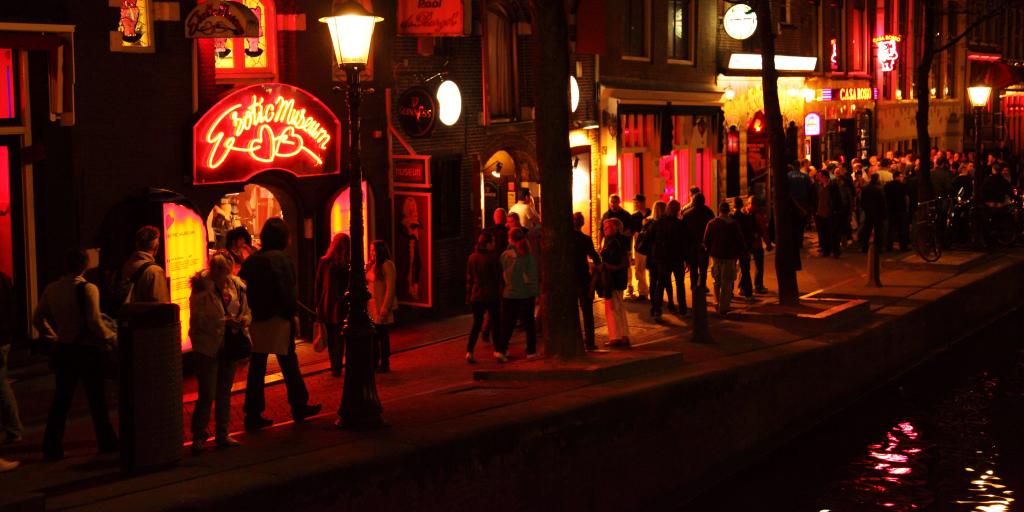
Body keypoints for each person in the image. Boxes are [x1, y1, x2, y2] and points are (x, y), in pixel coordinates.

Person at [34, 249, 118, 460]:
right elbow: (95, 323)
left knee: (61, 400)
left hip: (64, 349)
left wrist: (53, 337)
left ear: (65, 265)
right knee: (97, 399)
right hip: (87, 350)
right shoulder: (89, 289)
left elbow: (38, 319)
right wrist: (111, 338)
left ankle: (51, 446)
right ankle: (106, 441)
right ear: (85, 266)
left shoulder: (51, 289)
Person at [239, 218, 320, 431]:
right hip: (278, 318)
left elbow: (242, 286)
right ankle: (299, 405)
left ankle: (253, 413)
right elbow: (287, 291)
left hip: (257, 319)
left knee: (257, 366)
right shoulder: (282, 260)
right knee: (289, 363)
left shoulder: (252, 261)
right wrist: (292, 314)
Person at [188, 252, 248, 453]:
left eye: (227, 275)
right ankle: (199, 435)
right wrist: (224, 321)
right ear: (214, 271)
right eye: (221, 275)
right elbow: (198, 320)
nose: (225, 280)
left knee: (224, 392)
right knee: (207, 393)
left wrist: (243, 321)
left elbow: (246, 311)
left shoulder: (236, 285)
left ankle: (222, 433)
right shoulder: (201, 289)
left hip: (228, 345)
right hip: (207, 347)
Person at [497, 228, 539, 362]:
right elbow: (532, 275)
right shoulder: (527, 254)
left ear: (510, 239)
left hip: (509, 294)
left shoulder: (504, 255)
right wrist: (535, 292)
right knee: (529, 323)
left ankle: (501, 350)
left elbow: (501, 273)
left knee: (507, 324)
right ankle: (531, 351)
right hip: (526, 294)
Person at [314, 233, 351, 377]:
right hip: (341, 305)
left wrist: (317, 303)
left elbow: (318, 284)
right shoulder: (346, 264)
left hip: (327, 304)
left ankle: (333, 365)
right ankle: (336, 365)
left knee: (330, 336)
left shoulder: (325, 262)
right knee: (340, 337)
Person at [703, 202, 747, 315]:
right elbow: (740, 240)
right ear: (728, 211)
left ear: (719, 210)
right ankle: (724, 306)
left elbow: (706, 240)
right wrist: (741, 251)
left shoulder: (712, 223)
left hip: (716, 255)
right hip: (729, 256)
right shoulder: (734, 224)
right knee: (726, 282)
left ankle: (716, 302)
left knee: (716, 280)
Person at [465, 232, 502, 362]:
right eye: (492, 241)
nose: (494, 244)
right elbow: (498, 278)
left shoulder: (472, 258)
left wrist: (469, 295)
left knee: (476, 324)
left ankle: (469, 351)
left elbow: (469, 279)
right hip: (491, 295)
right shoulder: (493, 258)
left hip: (477, 295)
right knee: (495, 323)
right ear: (487, 244)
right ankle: (498, 351)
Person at [649, 200, 688, 318]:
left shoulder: (658, 223)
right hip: (677, 258)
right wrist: (687, 259)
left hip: (662, 258)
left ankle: (657, 310)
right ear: (677, 210)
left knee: (660, 284)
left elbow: (648, 238)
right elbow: (685, 243)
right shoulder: (680, 224)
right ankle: (682, 309)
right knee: (680, 284)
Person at [570, 212, 601, 349]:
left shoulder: (566, 239)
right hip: (582, 276)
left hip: (569, 277)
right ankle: (590, 341)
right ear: (582, 223)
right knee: (587, 311)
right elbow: (594, 257)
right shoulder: (585, 239)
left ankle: (572, 340)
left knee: (570, 310)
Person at [599, 219, 631, 347]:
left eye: (608, 227)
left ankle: (615, 337)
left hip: (612, 278)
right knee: (619, 306)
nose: (605, 230)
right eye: (604, 227)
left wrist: (604, 259)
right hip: (619, 278)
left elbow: (614, 259)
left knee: (611, 307)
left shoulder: (612, 242)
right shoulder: (622, 241)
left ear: (616, 228)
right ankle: (624, 335)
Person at [367, 240, 398, 373]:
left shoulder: (387, 265)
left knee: (382, 335)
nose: (372, 253)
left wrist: (385, 307)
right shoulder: (372, 265)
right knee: (374, 336)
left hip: (381, 306)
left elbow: (390, 289)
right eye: (371, 250)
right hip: (371, 306)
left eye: (374, 250)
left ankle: (385, 362)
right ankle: (374, 362)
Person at [0, 272, 23, 445]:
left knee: (1, 384)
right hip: (4, 337)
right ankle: (12, 428)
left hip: (1, 337)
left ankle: (13, 428)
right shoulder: (4, 279)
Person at [121, 225, 170, 304]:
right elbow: (162, 305)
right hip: (147, 316)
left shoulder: (127, 265)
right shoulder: (155, 271)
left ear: (137, 244)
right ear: (156, 247)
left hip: (130, 315)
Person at [600, 194, 636, 298]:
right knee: (610, 267)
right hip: (609, 247)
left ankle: (627, 287)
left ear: (619, 202)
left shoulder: (625, 215)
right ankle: (612, 287)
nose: (613, 204)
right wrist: (600, 244)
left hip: (623, 246)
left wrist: (622, 233)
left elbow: (631, 230)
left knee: (625, 267)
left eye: (615, 202)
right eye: (611, 202)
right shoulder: (606, 215)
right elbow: (601, 230)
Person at [681, 193, 715, 292]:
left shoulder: (687, 214)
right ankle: (702, 285)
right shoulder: (708, 212)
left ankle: (693, 285)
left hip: (691, 244)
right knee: (703, 267)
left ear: (693, 201)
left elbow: (684, 231)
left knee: (693, 266)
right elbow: (712, 228)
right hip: (704, 244)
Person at [732, 197, 757, 299]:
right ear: (741, 205)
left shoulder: (731, 218)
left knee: (731, 271)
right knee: (745, 270)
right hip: (744, 247)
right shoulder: (746, 218)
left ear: (733, 206)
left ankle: (730, 292)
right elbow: (750, 233)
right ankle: (748, 292)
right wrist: (749, 247)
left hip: (733, 248)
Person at [814, 171, 842, 258]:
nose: (819, 178)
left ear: (825, 177)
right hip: (821, 212)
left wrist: (833, 209)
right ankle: (826, 250)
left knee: (833, 232)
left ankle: (835, 251)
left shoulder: (833, 186)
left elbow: (836, 199)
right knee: (824, 233)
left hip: (830, 213)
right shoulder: (820, 186)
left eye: (820, 176)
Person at [747, 197, 772, 294]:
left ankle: (743, 287)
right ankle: (758, 286)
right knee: (759, 266)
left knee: (744, 266)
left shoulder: (745, 212)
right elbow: (764, 231)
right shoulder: (758, 215)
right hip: (756, 244)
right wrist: (768, 244)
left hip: (747, 244)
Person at [859, 173, 888, 252]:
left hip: (868, 211)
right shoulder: (879, 189)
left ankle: (864, 246)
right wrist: (884, 212)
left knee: (867, 228)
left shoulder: (865, 188)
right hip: (878, 212)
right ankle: (878, 246)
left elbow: (862, 201)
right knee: (878, 230)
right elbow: (882, 202)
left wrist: (865, 208)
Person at [630, 194, 650, 301]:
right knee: (639, 270)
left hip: (650, 247)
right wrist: (635, 233)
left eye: (637, 202)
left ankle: (653, 290)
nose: (636, 204)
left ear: (643, 202)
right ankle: (643, 292)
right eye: (635, 202)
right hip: (639, 247)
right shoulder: (634, 216)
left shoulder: (651, 214)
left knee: (651, 270)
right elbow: (632, 230)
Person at [884, 170, 910, 251]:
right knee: (902, 228)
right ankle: (903, 247)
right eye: (901, 176)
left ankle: (889, 246)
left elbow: (884, 197)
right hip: (901, 209)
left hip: (891, 209)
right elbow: (906, 197)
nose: (902, 178)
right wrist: (907, 208)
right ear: (897, 177)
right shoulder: (902, 186)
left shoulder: (887, 186)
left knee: (891, 228)